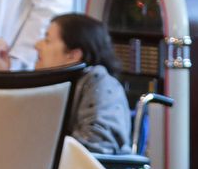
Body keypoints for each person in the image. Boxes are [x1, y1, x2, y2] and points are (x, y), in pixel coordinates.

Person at [35, 12, 132, 154]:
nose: (37, 45)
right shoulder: (50, 85)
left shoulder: (100, 83)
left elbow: (98, 144)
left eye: (47, 40)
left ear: (73, 55)